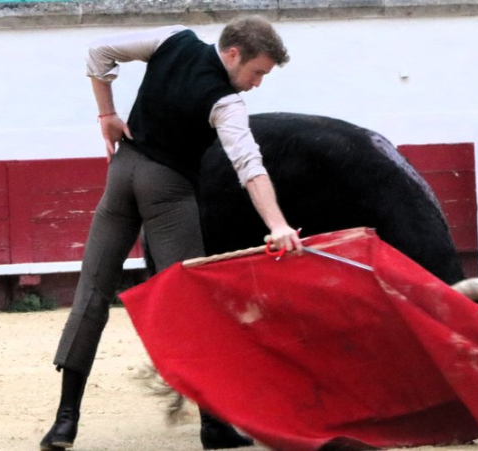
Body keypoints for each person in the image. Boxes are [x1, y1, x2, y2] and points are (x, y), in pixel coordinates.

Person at [40, 16, 303, 451]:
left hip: (121, 178)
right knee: (192, 307)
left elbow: (98, 52)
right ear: (233, 54)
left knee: (90, 295)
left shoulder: (172, 39)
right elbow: (250, 167)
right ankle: (213, 425)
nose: (257, 84)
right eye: (257, 72)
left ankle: (64, 423)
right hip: (168, 191)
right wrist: (276, 224)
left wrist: (106, 112)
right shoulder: (225, 102)